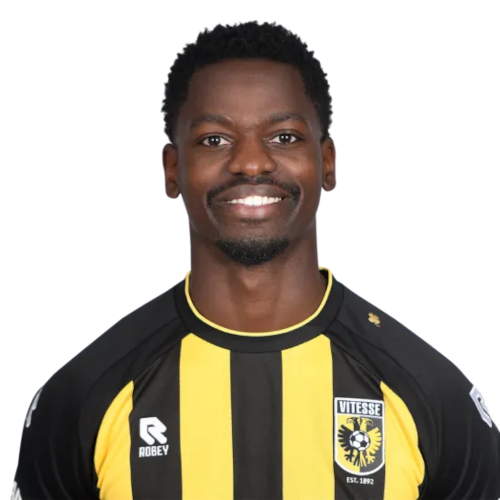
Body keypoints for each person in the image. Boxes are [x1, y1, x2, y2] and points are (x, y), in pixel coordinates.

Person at [11, 19, 499, 500]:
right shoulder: (84, 395)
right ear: (172, 169)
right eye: (214, 139)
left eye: (284, 137)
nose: (250, 162)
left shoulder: (432, 395)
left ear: (328, 162)